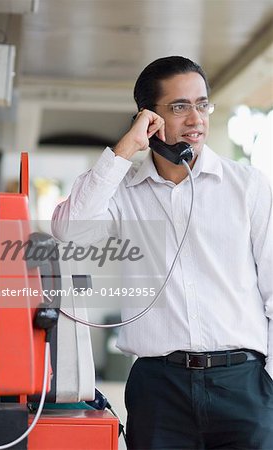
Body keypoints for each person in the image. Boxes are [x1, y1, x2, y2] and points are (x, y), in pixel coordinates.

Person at [52, 56, 273, 449]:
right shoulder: (122, 191)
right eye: (179, 107)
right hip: (159, 389)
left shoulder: (247, 186)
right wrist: (125, 148)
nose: (196, 118)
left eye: (202, 104)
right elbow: (70, 232)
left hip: (244, 386)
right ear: (148, 118)